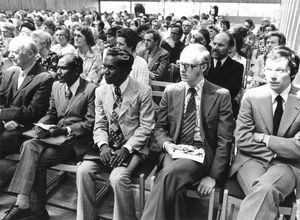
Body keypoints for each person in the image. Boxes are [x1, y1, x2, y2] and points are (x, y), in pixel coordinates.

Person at [141, 44, 234, 220]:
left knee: (168, 175)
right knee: (175, 187)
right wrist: (167, 144)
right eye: (181, 64)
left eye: (189, 66)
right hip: (174, 148)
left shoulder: (220, 95)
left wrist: (213, 176)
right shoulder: (172, 90)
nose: (183, 70)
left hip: (200, 152)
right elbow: (159, 127)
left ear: (204, 67)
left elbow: (224, 140)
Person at [2, 53, 96, 220]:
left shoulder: (90, 90)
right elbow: (51, 113)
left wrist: (65, 130)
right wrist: (42, 125)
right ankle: (28, 206)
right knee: (28, 145)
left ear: (77, 71)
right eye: (57, 67)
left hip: (75, 141)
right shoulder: (57, 86)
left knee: (34, 158)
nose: (58, 71)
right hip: (53, 135)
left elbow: (90, 124)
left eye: (63, 68)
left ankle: (27, 207)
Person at [76, 47, 155, 220]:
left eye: (111, 68)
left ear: (126, 70)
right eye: (104, 66)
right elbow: (100, 124)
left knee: (118, 178)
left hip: (133, 147)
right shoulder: (101, 91)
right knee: (83, 171)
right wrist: (103, 146)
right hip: (108, 146)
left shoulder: (142, 91)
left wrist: (126, 149)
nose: (105, 71)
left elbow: (146, 127)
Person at [230, 46, 300, 220]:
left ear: (293, 72)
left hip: (287, 166)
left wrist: (264, 138)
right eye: (268, 69)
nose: (272, 75)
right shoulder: (252, 96)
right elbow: (242, 139)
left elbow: (298, 148)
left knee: (265, 190)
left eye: (280, 70)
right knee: (262, 195)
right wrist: (279, 149)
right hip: (250, 160)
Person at [0, 35, 53, 159]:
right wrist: (4, 121)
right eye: (10, 51)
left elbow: (33, 112)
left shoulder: (44, 77)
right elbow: (1, 100)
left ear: (29, 54)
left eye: (15, 52)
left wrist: (3, 114)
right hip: (5, 124)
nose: (10, 55)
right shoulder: (10, 72)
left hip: (24, 129)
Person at [206, 32, 244, 118]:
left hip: (222, 109)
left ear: (229, 48)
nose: (215, 48)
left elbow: (230, 92)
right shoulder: (204, 62)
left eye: (220, 45)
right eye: (214, 44)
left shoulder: (237, 67)